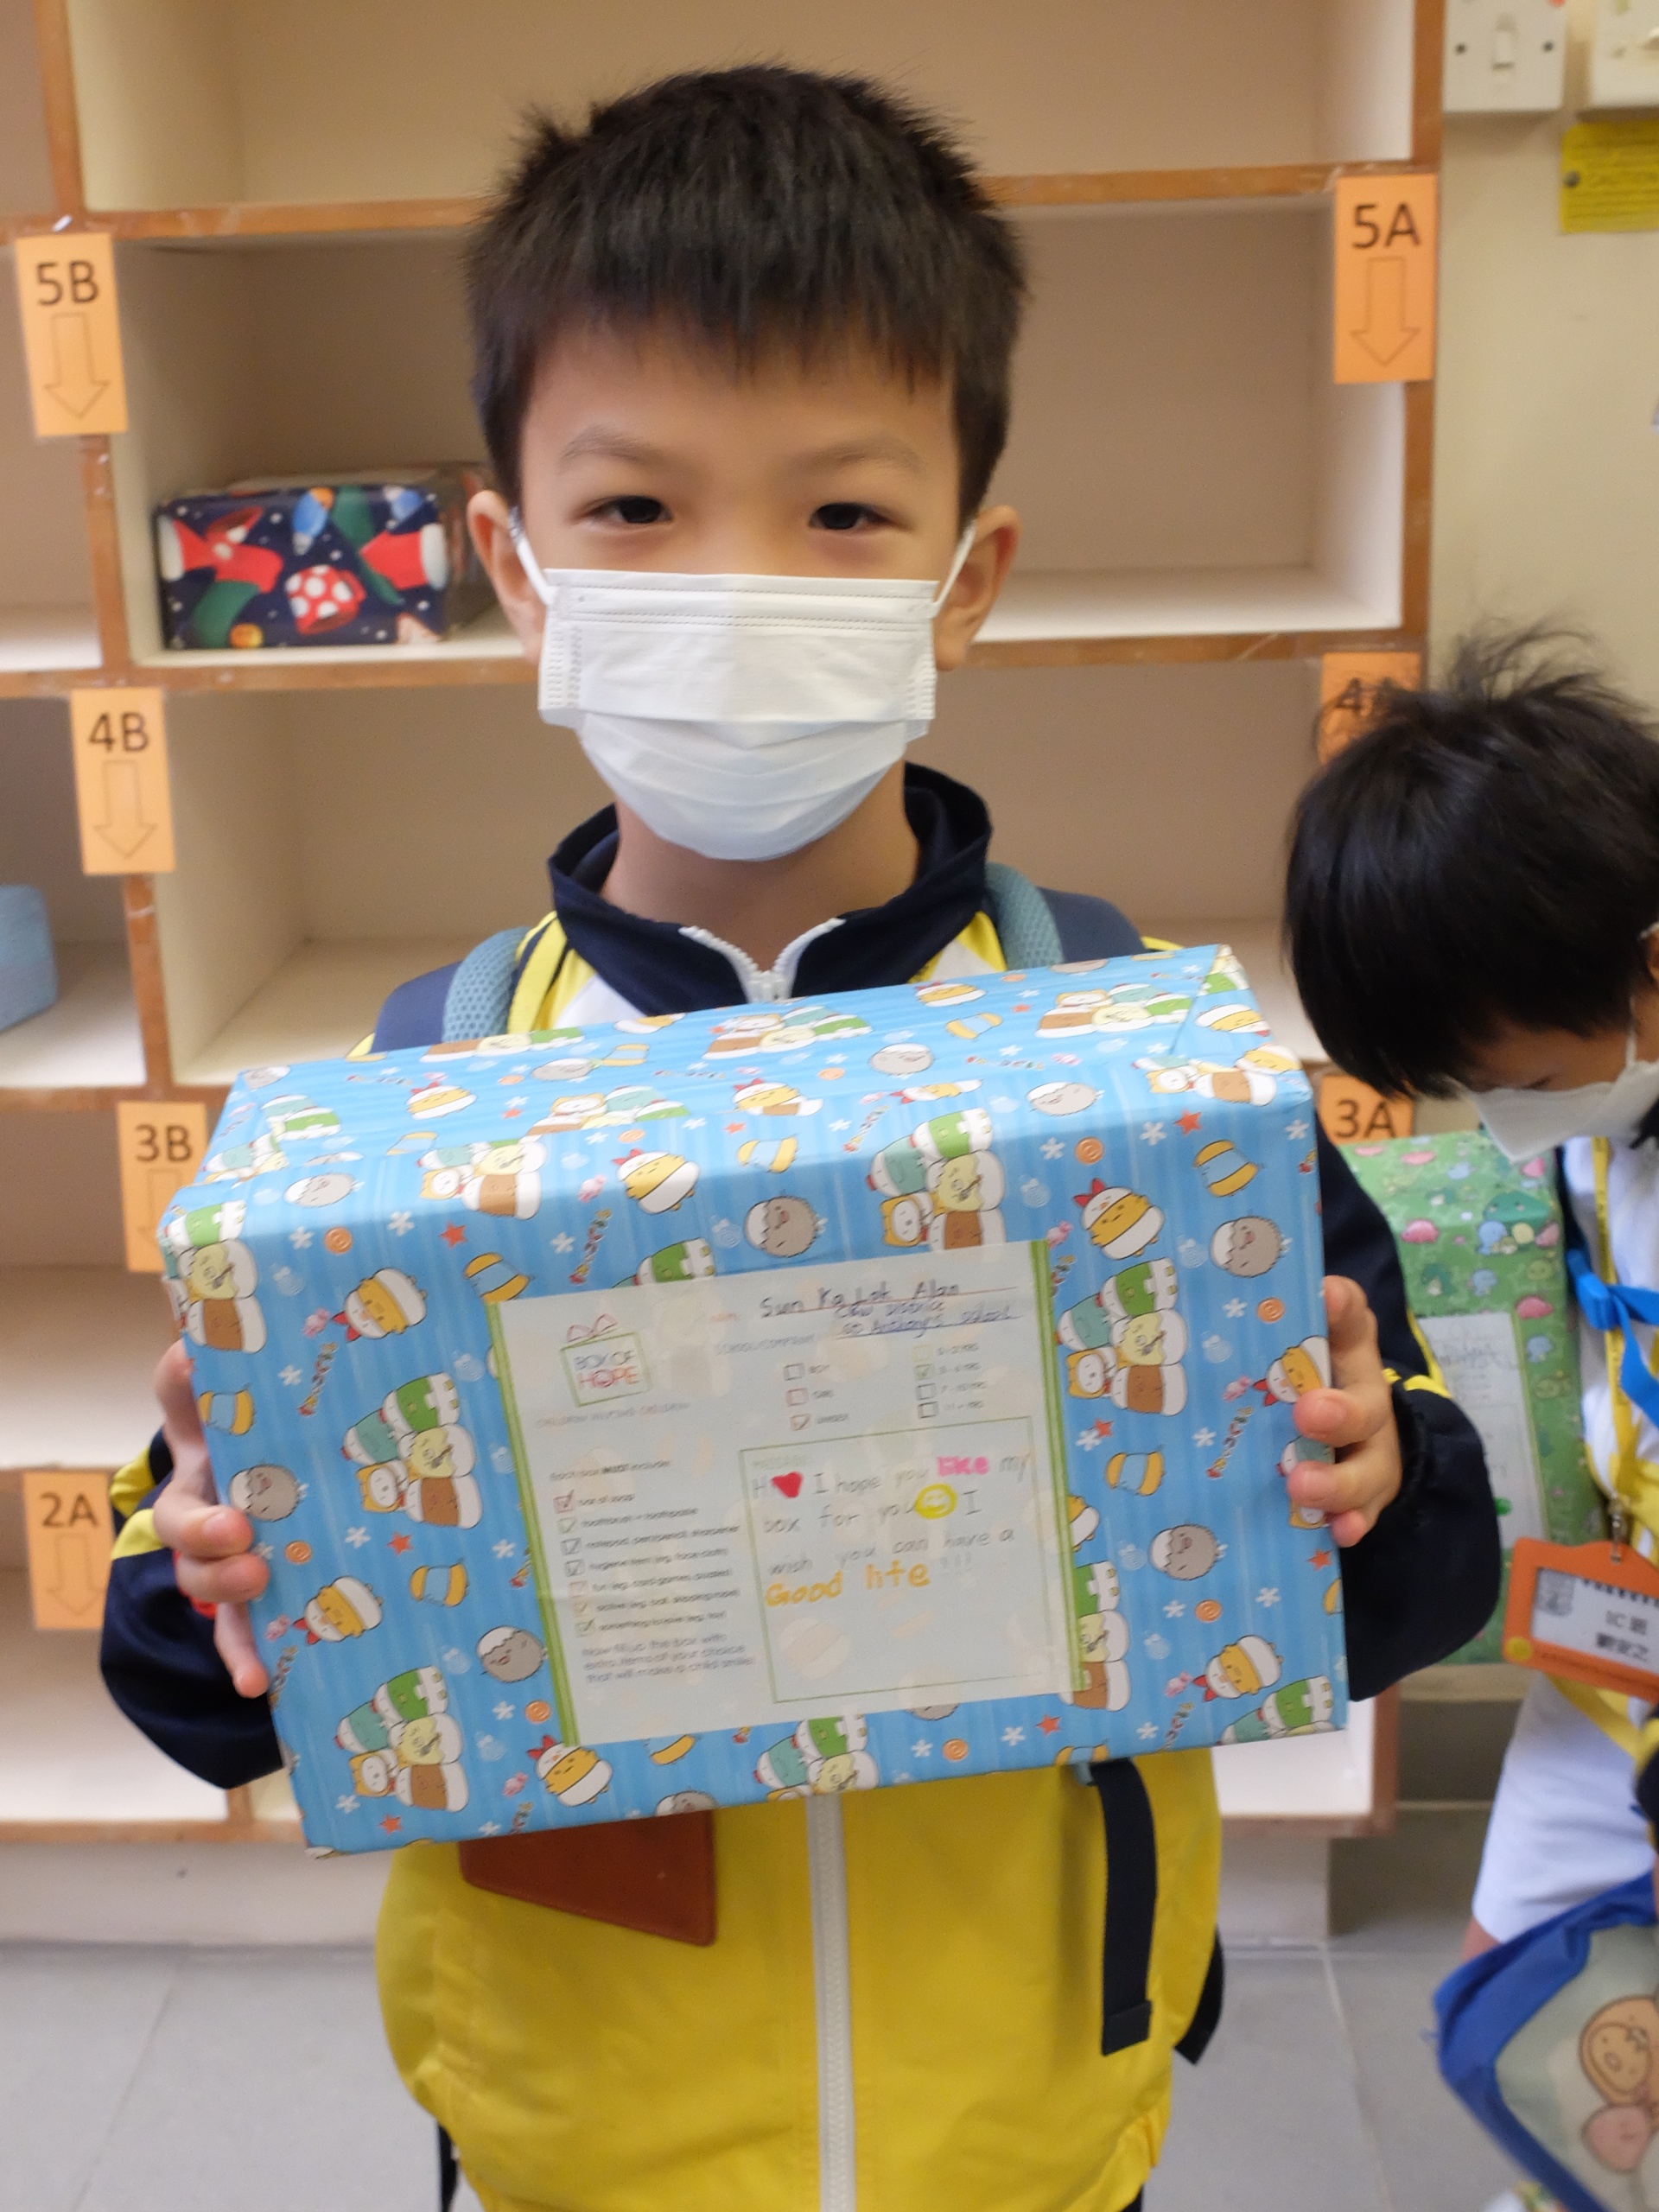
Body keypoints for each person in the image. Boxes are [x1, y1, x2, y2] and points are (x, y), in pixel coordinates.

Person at [101, 69, 1497, 2212]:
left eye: (841, 515)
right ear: (513, 565)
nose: (737, 582)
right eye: (636, 510)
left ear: (967, 573)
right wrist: (211, 1572)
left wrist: (1372, 1483)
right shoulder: (427, 1092)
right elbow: (212, 1677)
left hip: (1028, 2119)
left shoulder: (1139, 1070)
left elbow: (1416, 1559)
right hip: (579, 2130)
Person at [1286, 635, 1659, 2193]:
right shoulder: (1601, 1125)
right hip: (1618, 1653)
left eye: (1515, 1077)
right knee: (1521, 2023)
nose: (1501, 1120)